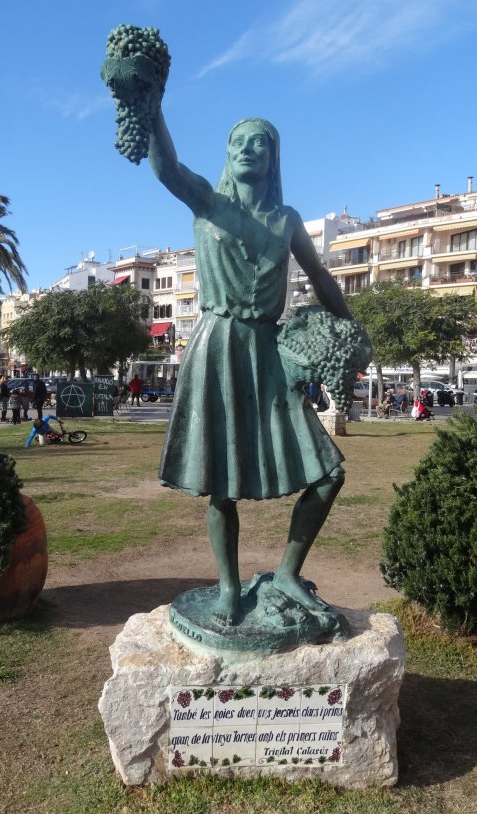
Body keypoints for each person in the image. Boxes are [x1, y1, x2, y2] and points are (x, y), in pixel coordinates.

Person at [133, 99, 354, 627]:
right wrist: (153, 105)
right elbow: (166, 167)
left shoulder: (286, 220)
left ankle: (285, 573)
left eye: (259, 141)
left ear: (274, 157)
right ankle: (229, 587)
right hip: (217, 348)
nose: (247, 148)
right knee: (221, 481)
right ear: (227, 157)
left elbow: (320, 278)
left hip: (269, 352)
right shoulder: (209, 204)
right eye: (238, 142)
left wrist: (349, 324)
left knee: (328, 474)